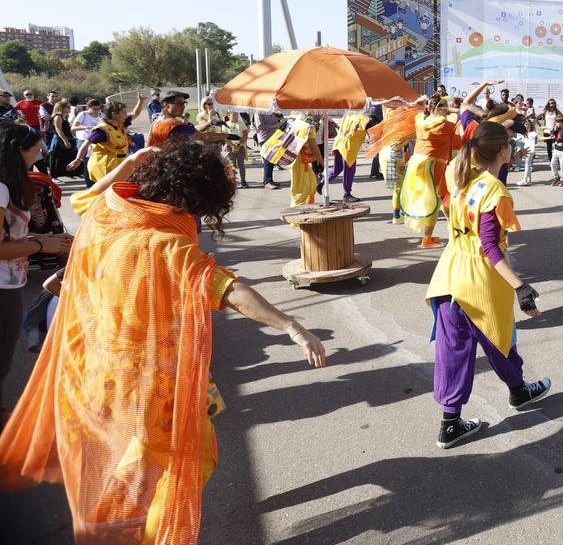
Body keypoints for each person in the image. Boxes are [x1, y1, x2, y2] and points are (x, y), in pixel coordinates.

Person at [0, 142, 326, 543]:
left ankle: (119, 525)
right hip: (149, 381)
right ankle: (137, 533)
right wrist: (291, 326)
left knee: (131, 460)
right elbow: (227, 289)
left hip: (97, 366)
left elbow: (84, 200)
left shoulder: (110, 211)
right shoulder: (167, 244)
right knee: (169, 464)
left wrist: (131, 162)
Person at [425, 121, 550, 448]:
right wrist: (521, 287)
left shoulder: (457, 173)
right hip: (480, 281)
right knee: (500, 340)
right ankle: (518, 390)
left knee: (453, 351)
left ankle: (450, 424)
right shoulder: (494, 191)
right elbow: (491, 248)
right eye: (509, 144)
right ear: (502, 151)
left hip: (448, 275)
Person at [0, 123, 72, 418]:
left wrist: (45, 239)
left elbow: (9, 237)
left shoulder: (7, 187)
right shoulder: (1, 189)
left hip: (10, 281)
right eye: (36, 150)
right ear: (18, 151)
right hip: (3, 286)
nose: (39, 156)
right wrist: (42, 246)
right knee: (3, 361)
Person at [398, 97, 461, 247]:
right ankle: (427, 238)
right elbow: (461, 115)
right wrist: (452, 109)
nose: (447, 111)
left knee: (431, 197)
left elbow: (420, 112)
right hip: (434, 164)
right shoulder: (446, 125)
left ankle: (445, 227)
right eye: (445, 108)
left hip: (417, 162)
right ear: (440, 109)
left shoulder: (420, 120)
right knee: (435, 200)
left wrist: (423, 107)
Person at [68, 96, 148, 183]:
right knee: (109, 190)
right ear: (114, 114)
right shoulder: (103, 129)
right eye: (124, 113)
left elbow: (134, 114)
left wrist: (140, 101)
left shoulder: (119, 123)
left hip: (116, 164)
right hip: (104, 166)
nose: (126, 115)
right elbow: (86, 143)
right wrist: (78, 159)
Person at [327, 111, 369, 202]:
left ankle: (323, 180)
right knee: (349, 171)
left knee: (337, 169)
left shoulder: (347, 114)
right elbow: (362, 130)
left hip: (339, 144)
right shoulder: (362, 118)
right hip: (348, 148)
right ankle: (347, 194)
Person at [69, 98, 103, 187]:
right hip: (84, 140)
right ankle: (89, 185)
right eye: (94, 109)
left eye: (98, 109)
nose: (96, 111)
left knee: (97, 163)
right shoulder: (83, 114)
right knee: (88, 163)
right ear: (88, 107)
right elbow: (73, 128)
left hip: (97, 142)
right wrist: (86, 127)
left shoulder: (101, 115)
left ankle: (98, 183)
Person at [254, 109, 285, 188]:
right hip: (265, 138)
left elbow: (279, 117)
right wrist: (274, 125)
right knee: (267, 160)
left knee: (271, 160)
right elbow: (260, 126)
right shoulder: (258, 112)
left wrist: (280, 122)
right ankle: (267, 182)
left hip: (273, 137)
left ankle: (270, 180)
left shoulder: (271, 110)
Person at [546, 114, 563, 186]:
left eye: (558, 122)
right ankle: (556, 177)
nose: (557, 123)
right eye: (556, 122)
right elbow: (553, 134)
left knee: (562, 166)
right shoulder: (557, 129)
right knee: (552, 163)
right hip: (556, 149)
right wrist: (553, 131)